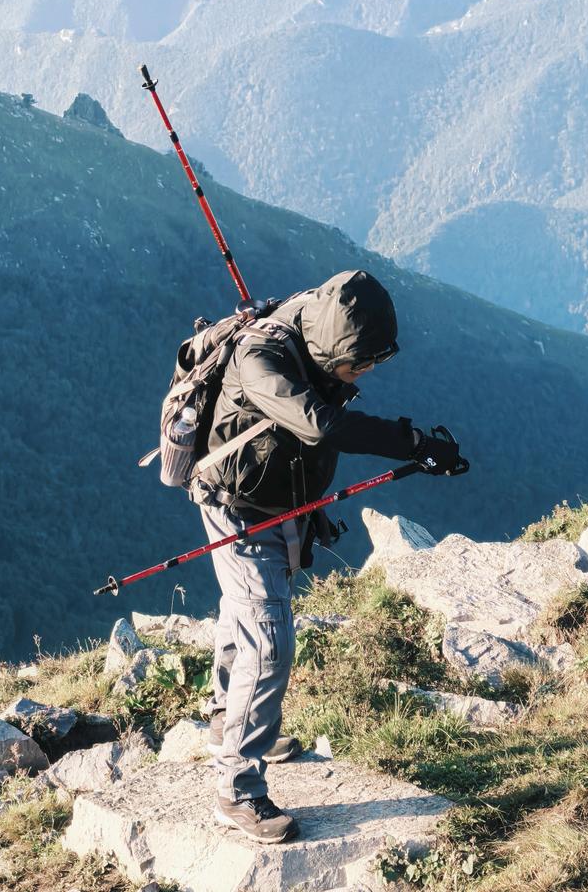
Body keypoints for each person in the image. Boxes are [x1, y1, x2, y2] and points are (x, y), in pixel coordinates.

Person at [188, 269, 460, 844]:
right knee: (269, 635)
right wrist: (413, 443)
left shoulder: (320, 327)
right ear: (331, 346)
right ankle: (237, 790)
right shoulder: (261, 356)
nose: (362, 374)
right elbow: (317, 424)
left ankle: (223, 719)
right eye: (356, 365)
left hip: (279, 499)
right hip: (234, 506)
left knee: (246, 609)